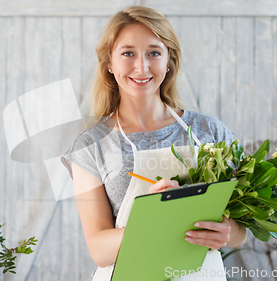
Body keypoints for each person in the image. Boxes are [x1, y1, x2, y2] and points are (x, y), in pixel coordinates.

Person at [61, 6, 246, 281]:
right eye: (128, 53)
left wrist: (229, 231)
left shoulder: (210, 132)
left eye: (154, 53)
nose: (142, 66)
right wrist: (153, 216)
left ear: (169, 60)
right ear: (109, 63)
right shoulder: (91, 145)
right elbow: (99, 248)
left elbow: (241, 232)